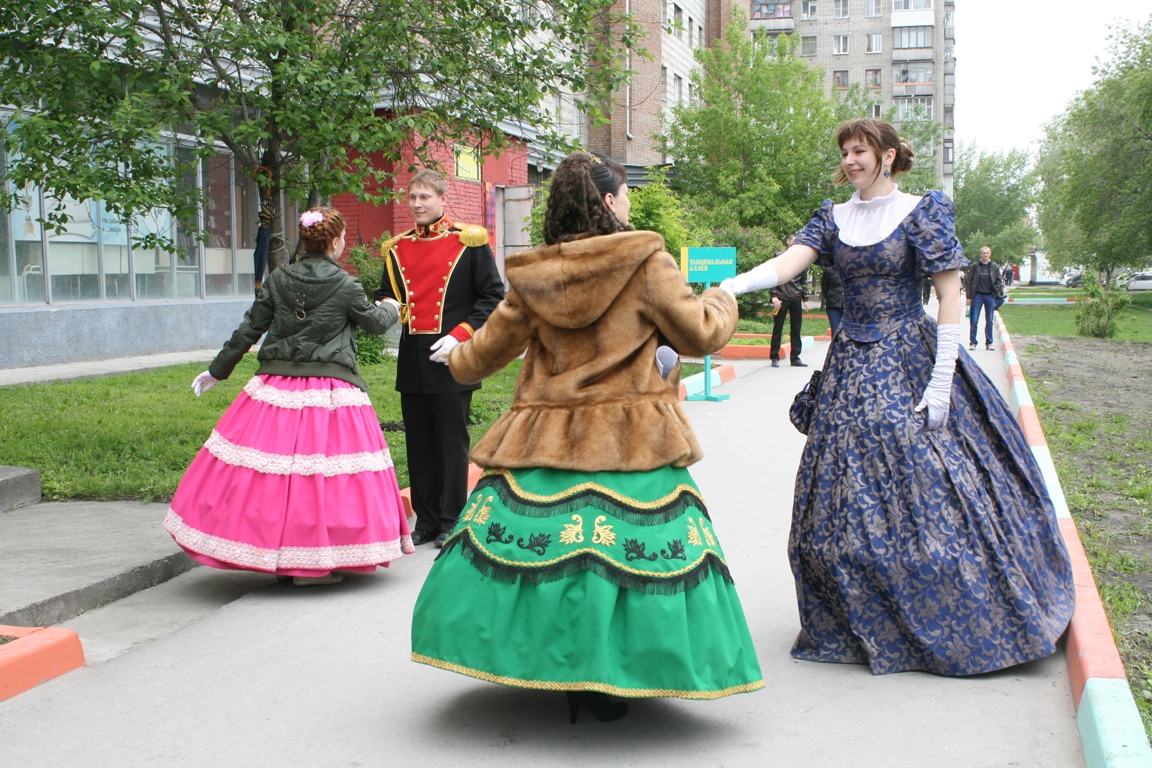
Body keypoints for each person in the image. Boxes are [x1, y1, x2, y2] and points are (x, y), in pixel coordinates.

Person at [411, 152, 763, 721]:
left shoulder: (534, 275)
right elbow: (700, 335)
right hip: (633, 437)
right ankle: (612, 673)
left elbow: (484, 355)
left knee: (540, 550)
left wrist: (455, 356)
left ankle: (549, 663)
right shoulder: (645, 261)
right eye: (624, 193)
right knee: (625, 558)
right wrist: (723, 296)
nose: (628, 203)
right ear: (607, 202)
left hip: (544, 435)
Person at [721, 118, 1074, 676]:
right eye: (845, 151)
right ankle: (857, 613)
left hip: (908, 351)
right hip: (850, 361)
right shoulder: (833, 217)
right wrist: (734, 285)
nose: (849, 160)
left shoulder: (921, 211)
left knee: (920, 470)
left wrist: (941, 379)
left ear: (886, 155)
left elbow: (950, 294)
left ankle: (942, 606)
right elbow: (791, 262)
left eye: (859, 150)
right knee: (837, 478)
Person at [166, 207, 414, 586]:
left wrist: (218, 370)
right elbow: (376, 323)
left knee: (275, 477)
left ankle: (281, 557)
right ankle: (312, 563)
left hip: (276, 386)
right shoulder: (346, 284)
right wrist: (392, 307)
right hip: (331, 388)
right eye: (342, 239)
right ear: (335, 242)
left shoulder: (279, 277)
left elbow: (249, 329)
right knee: (322, 478)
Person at [374, 170, 505, 547]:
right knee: (418, 445)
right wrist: (385, 306)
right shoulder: (396, 248)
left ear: (442, 199)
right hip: (413, 358)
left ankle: (451, 519)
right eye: (412, 197)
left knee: (450, 444)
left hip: (453, 356)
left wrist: (459, 336)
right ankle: (427, 520)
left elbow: (492, 295)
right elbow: (387, 293)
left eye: (424, 197)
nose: (417, 204)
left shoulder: (469, 241)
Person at [769, 235, 810, 367]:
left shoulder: (802, 260)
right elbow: (773, 276)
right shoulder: (779, 256)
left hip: (796, 298)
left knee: (796, 328)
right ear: (787, 242)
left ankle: (795, 357)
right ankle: (774, 357)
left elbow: (804, 281)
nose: (794, 245)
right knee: (778, 328)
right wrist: (774, 296)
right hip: (781, 298)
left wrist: (806, 299)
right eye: (792, 242)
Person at [963, 245, 1005, 351]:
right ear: (980, 254)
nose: (985, 255)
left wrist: (997, 289)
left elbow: (999, 280)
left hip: (990, 296)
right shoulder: (975, 266)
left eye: (987, 253)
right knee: (974, 320)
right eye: (984, 253)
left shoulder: (994, 266)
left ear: (990, 254)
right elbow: (968, 281)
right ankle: (973, 342)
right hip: (977, 296)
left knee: (989, 320)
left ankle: (989, 343)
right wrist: (968, 297)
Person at [821, 264, 845, 337]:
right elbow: (824, 287)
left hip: (847, 305)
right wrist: (830, 297)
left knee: (846, 331)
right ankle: (835, 344)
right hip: (833, 305)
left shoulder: (849, 269)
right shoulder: (829, 270)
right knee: (835, 331)